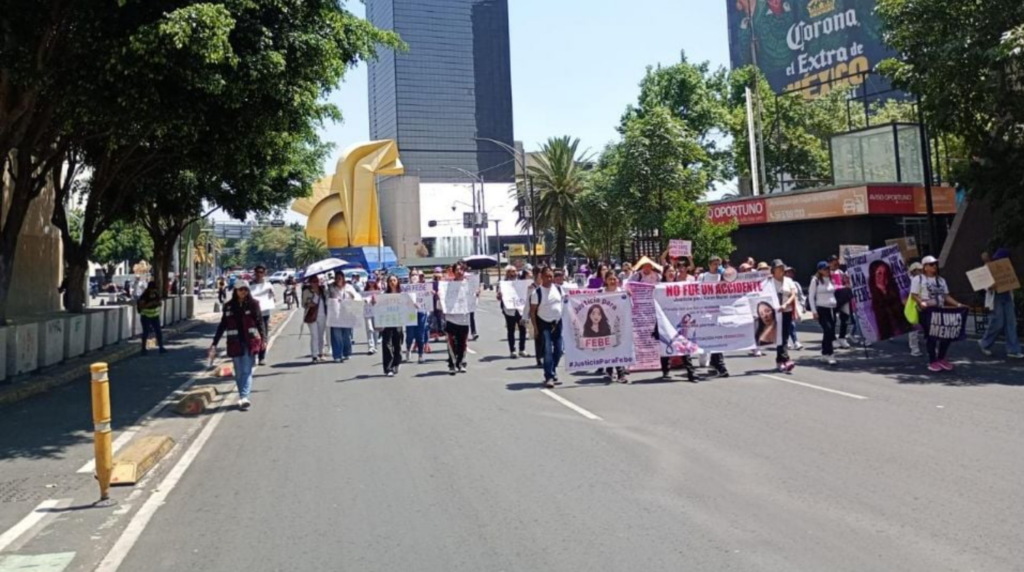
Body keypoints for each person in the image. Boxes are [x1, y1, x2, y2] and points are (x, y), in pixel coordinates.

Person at [210, 280, 266, 410]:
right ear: (235, 291)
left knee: (246, 370)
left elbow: (260, 322)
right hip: (234, 343)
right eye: (241, 289)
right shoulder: (229, 306)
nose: (243, 292)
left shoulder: (253, 304)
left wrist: (264, 338)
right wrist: (214, 343)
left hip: (250, 342)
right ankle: (242, 395)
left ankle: (244, 396)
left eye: (245, 289)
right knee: (239, 372)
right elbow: (222, 325)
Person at [910, 255, 968, 372]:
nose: (934, 266)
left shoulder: (941, 280)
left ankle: (941, 358)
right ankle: (932, 361)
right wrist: (921, 302)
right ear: (925, 267)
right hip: (927, 311)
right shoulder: (918, 279)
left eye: (935, 264)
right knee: (932, 336)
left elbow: (946, 296)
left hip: (940, 310)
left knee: (947, 334)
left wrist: (958, 305)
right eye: (931, 264)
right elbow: (914, 294)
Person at [979, 249, 1023, 359]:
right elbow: (984, 285)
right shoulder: (989, 268)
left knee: (1011, 323)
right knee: (997, 322)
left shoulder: (1006, 268)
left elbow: (1010, 281)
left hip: (1007, 296)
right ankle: (985, 343)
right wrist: (990, 286)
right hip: (996, 298)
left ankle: (1013, 349)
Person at [531, 266, 564, 388]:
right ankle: (549, 376)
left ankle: (553, 370)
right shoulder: (537, 293)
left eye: (551, 276)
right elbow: (532, 311)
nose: (550, 279)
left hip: (557, 323)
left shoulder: (559, 290)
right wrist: (535, 328)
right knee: (547, 351)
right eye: (547, 276)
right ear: (542, 277)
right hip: (544, 323)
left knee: (559, 350)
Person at [867, 259, 911, 342]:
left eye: (885, 273)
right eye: (879, 273)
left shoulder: (895, 291)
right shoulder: (870, 298)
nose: (883, 277)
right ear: (873, 275)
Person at [602, 272, 631, 383]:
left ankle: (620, 373)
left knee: (618, 349)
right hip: (606, 325)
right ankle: (609, 371)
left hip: (620, 325)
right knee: (609, 348)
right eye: (610, 279)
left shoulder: (622, 293)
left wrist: (628, 296)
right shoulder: (601, 293)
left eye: (614, 279)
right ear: (606, 280)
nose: (613, 281)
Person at [443, 263, 472, 375]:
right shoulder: (448, 285)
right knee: (451, 343)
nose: (460, 271)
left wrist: (476, 294)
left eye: (461, 270)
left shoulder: (469, 285)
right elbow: (442, 299)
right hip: (451, 318)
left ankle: (461, 363)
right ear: (453, 272)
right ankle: (452, 364)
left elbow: (472, 300)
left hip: (464, 319)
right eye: (457, 270)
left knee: (462, 343)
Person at [809, 261, 839, 365]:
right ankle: (830, 354)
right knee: (828, 329)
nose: (827, 271)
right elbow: (811, 297)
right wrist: (814, 311)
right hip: (822, 309)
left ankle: (824, 353)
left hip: (832, 309)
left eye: (828, 269)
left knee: (830, 332)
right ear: (820, 270)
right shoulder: (815, 280)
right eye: (825, 269)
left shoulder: (831, 279)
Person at [770, 259, 797, 372]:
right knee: (779, 337)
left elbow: (793, 294)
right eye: (778, 267)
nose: (781, 269)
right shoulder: (769, 281)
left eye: (782, 267)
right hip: (775, 313)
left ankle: (781, 360)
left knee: (784, 336)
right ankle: (785, 360)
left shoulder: (788, 280)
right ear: (773, 270)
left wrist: (786, 304)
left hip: (786, 311)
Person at [376, 274, 405, 377]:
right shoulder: (384, 295)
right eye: (390, 281)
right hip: (387, 322)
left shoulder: (402, 294)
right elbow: (377, 305)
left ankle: (397, 362)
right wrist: (374, 301)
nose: (392, 282)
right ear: (387, 283)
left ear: (397, 282)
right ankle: (388, 368)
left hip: (398, 322)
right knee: (387, 344)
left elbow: (409, 304)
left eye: (394, 280)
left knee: (397, 344)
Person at [497, 266, 528, 359]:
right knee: (511, 330)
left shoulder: (521, 282)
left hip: (520, 309)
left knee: (523, 329)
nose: (513, 273)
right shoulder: (503, 284)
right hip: (509, 310)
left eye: (514, 271)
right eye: (510, 272)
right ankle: (512, 350)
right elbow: (498, 297)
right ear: (507, 273)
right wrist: (500, 295)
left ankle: (522, 349)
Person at [327, 272, 358, 362]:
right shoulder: (330, 288)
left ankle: (347, 352)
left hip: (347, 314)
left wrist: (349, 300)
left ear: (343, 278)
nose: (338, 280)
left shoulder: (349, 287)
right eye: (337, 278)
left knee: (346, 335)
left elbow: (355, 297)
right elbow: (326, 299)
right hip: (335, 315)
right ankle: (337, 355)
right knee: (336, 335)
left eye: (340, 278)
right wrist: (332, 299)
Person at [249, 265, 276, 366]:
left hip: (264, 314)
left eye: (261, 272)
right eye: (257, 272)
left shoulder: (268, 285)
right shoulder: (250, 285)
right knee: (253, 335)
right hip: (253, 314)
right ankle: (252, 355)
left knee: (264, 335)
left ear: (264, 273)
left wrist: (272, 295)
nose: (259, 274)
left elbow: (273, 297)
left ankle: (262, 357)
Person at [404, 271, 429, 364]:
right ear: (409, 276)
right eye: (412, 274)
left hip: (421, 312)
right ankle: (408, 349)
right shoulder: (405, 288)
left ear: (419, 276)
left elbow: (428, 297)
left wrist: (431, 293)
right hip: (410, 313)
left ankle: (420, 354)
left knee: (420, 334)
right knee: (410, 335)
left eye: (416, 275)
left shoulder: (423, 287)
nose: (414, 276)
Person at [136, 281, 167, 355]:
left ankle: (161, 347)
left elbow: (160, 303)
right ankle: (143, 349)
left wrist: (158, 303)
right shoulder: (144, 295)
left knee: (158, 331)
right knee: (146, 332)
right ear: (149, 289)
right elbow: (141, 306)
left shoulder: (156, 294)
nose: (154, 290)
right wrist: (150, 304)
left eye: (155, 289)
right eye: (153, 289)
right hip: (146, 316)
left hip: (155, 316)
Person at [829, 255, 853, 348]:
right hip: (833, 297)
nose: (835, 263)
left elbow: (845, 282)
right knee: (832, 319)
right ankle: (832, 338)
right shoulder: (827, 273)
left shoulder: (841, 272)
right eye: (833, 261)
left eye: (836, 261)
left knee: (845, 318)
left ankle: (842, 338)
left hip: (843, 297)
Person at [302, 275, 328, 363]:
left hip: (322, 315)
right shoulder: (306, 291)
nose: (315, 283)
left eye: (316, 281)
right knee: (314, 335)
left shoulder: (323, 290)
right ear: (310, 282)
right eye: (313, 281)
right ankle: (314, 355)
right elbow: (304, 304)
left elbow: (327, 300)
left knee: (321, 335)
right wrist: (310, 303)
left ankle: (321, 353)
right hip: (311, 315)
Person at [784, 266, 805, 350]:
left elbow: (800, 295)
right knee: (785, 325)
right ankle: (786, 341)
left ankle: (795, 341)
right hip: (783, 306)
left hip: (794, 306)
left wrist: (803, 305)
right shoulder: (781, 283)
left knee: (791, 324)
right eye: (788, 272)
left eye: (791, 272)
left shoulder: (795, 284)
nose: (790, 274)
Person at [907, 262, 925, 357]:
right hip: (913, 307)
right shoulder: (909, 280)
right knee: (913, 328)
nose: (921, 271)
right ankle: (914, 349)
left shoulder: (923, 279)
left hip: (923, 306)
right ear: (913, 271)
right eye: (919, 270)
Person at [363, 279, 380, 355]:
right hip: (367, 313)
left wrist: (376, 300)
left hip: (376, 312)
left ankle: (375, 346)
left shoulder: (378, 291)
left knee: (375, 330)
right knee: (369, 329)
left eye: (373, 282)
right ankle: (371, 347)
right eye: (370, 282)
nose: (371, 284)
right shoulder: (364, 291)